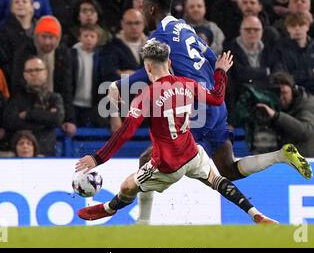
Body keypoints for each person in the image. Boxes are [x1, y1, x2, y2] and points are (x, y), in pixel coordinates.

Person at [108, 0, 313, 224]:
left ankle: (142, 225)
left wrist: (118, 85)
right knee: (227, 169)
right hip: (215, 101)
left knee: (147, 159)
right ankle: (280, 156)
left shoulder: (158, 37)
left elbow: (149, 72)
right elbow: (212, 58)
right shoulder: (185, 27)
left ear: (151, 9)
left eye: (143, 8)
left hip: (196, 108)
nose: (142, 12)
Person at [76, 41, 277, 224]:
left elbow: (125, 133)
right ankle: (255, 213)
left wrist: (97, 158)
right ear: (169, 62)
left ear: (147, 67)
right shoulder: (187, 84)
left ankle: (109, 209)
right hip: (192, 152)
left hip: (167, 164)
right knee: (217, 180)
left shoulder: (146, 96)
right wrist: (220, 71)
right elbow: (216, 98)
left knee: (128, 185)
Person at [3, 57, 65, 156]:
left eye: (37, 70)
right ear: (24, 75)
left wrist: (28, 114)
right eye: (29, 71)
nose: (33, 73)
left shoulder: (54, 98)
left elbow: (57, 119)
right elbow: (11, 122)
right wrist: (44, 120)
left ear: (45, 73)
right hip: (21, 155)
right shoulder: (16, 98)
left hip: (46, 152)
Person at [256, 72, 314, 158]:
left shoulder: (306, 104)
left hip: (311, 161)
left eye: (284, 93)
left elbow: (305, 131)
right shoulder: (272, 107)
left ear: (293, 91)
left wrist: (277, 116)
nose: (281, 98)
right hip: (287, 162)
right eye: (277, 94)